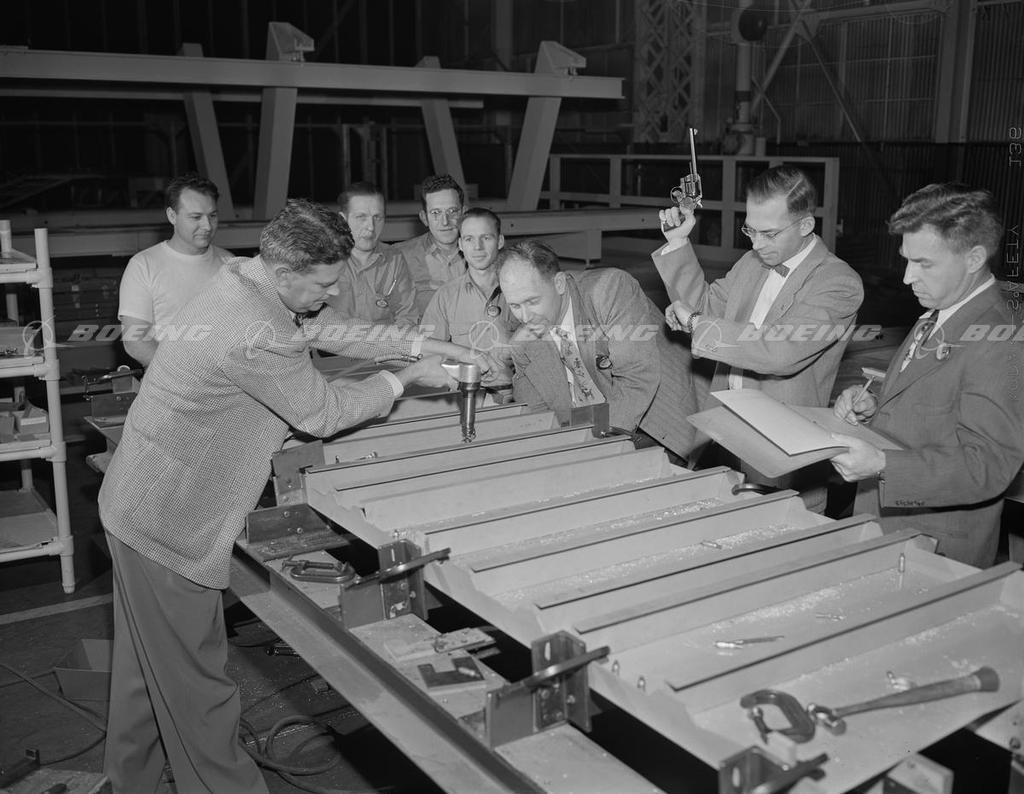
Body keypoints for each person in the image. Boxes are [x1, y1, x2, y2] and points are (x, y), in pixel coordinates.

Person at [98, 199, 487, 794]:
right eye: (325, 284)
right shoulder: (253, 328)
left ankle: (131, 780)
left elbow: (322, 327)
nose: (332, 294)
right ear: (284, 273)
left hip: (136, 500)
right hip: (169, 522)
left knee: (144, 671)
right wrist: (406, 379)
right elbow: (321, 412)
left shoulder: (245, 275)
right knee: (199, 689)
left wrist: (420, 345)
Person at [830, 183, 1024, 568]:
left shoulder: (999, 339)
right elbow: (939, 403)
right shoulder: (938, 313)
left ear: (973, 258)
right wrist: (875, 406)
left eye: (924, 263)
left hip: (934, 549)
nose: (907, 277)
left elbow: (988, 466)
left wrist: (883, 465)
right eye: (906, 259)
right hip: (888, 528)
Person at [657, 165, 863, 507]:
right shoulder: (751, 263)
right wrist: (678, 242)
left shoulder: (838, 283)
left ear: (806, 225)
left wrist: (695, 323)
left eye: (769, 233)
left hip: (782, 444)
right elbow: (705, 308)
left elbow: (780, 351)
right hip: (723, 428)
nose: (756, 243)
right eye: (750, 230)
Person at [497, 239, 699, 461]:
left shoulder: (609, 289)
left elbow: (636, 379)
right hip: (587, 429)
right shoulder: (524, 336)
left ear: (560, 284)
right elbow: (539, 417)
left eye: (533, 301)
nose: (525, 317)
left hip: (657, 425)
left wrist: (591, 448)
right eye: (515, 306)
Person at [118, 172, 233, 367]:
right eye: (196, 217)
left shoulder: (230, 264)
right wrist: (181, 376)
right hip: (169, 382)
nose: (207, 226)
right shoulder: (143, 266)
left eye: (212, 216)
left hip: (224, 381)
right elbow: (135, 341)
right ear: (172, 216)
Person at [420, 207, 513, 383]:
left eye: (486, 238)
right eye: (469, 239)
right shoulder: (445, 296)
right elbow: (426, 352)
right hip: (464, 393)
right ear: (461, 245)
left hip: (516, 394)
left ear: (500, 241)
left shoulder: (521, 291)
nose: (478, 247)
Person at [326, 181, 417, 326]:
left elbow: (407, 317)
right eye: (361, 217)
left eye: (377, 217)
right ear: (343, 220)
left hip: (385, 340)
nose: (371, 227)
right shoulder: (324, 259)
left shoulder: (394, 260)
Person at [394, 174, 466, 318]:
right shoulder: (398, 257)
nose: (445, 221)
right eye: (436, 213)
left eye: (452, 211)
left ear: (464, 213)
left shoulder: (486, 255)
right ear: (424, 218)